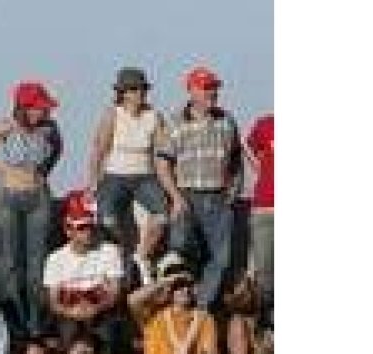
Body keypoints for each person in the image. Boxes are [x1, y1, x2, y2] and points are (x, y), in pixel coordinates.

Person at [0, 80, 63, 337]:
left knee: (37, 262)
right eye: (39, 108)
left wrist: (43, 172)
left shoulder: (50, 129)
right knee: (9, 262)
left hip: (38, 195)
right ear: (25, 108)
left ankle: (36, 323)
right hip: (8, 195)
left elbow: (57, 150)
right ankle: (13, 323)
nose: (44, 113)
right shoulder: (7, 126)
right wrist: (1, 170)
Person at [159, 66, 244, 311]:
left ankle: (202, 309)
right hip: (186, 196)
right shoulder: (175, 122)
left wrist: (234, 190)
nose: (213, 92)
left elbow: (237, 160)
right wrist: (175, 197)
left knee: (222, 258)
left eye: (214, 87)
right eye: (207, 88)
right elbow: (163, 163)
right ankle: (178, 303)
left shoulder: (228, 120)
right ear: (192, 90)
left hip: (219, 197)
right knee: (180, 248)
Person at [86, 67, 182, 281]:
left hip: (144, 175)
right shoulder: (112, 114)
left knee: (161, 214)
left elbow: (161, 152)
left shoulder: (154, 116)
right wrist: (93, 182)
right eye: (133, 89)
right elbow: (99, 149)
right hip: (115, 174)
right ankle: (120, 257)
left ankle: (141, 255)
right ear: (123, 93)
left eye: (142, 89)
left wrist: (170, 186)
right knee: (107, 217)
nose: (139, 94)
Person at [128, 253, 229, 354]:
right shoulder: (153, 317)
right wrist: (169, 280)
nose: (184, 290)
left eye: (187, 285)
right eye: (178, 286)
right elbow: (132, 300)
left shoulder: (203, 318)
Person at [43, 190, 129, 354]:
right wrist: (71, 311)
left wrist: (95, 308)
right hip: (70, 310)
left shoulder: (109, 250)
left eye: (90, 226)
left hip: (101, 309)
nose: (88, 232)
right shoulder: (55, 258)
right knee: (68, 330)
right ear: (68, 230)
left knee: (108, 331)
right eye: (82, 227)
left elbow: (115, 293)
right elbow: (53, 301)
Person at [245, 113, 275, 310]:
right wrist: (260, 168)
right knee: (264, 272)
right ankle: (266, 323)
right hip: (264, 209)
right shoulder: (266, 123)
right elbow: (247, 146)